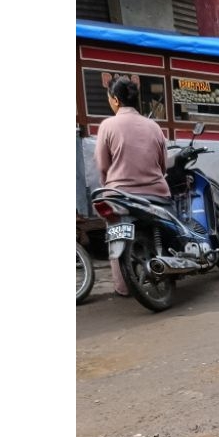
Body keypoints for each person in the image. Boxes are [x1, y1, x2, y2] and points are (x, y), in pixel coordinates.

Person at [94, 77, 170, 297]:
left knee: (115, 232)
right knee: (168, 228)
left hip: (120, 196)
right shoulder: (153, 126)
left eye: (109, 98)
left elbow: (103, 165)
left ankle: (123, 287)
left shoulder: (107, 126)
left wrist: (108, 185)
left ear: (116, 100)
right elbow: (163, 164)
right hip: (156, 194)